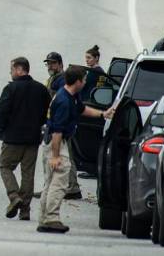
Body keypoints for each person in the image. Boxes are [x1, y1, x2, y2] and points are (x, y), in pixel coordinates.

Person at [38, 67, 115, 234]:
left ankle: (44, 218)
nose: (86, 82)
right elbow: (58, 131)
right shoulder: (64, 101)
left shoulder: (69, 95)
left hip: (54, 141)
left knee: (50, 182)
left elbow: (82, 109)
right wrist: (56, 156)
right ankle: (51, 219)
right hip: (56, 142)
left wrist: (103, 114)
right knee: (58, 182)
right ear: (78, 81)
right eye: (84, 79)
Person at [0, 57, 51, 221]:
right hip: (32, 139)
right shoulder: (41, 89)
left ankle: (14, 196)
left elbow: (2, 112)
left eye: (12, 69)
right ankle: (25, 210)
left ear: (20, 69)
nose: (11, 73)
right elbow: (47, 111)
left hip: (12, 138)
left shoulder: (10, 89)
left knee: (5, 166)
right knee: (28, 174)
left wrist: (1, 131)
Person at [41, 51, 82, 200]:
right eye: (48, 63)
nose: (50, 66)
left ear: (60, 64)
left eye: (53, 63)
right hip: (56, 121)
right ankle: (69, 187)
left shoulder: (62, 80)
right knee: (65, 155)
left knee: (64, 156)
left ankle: (71, 188)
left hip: (61, 124)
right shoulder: (55, 78)